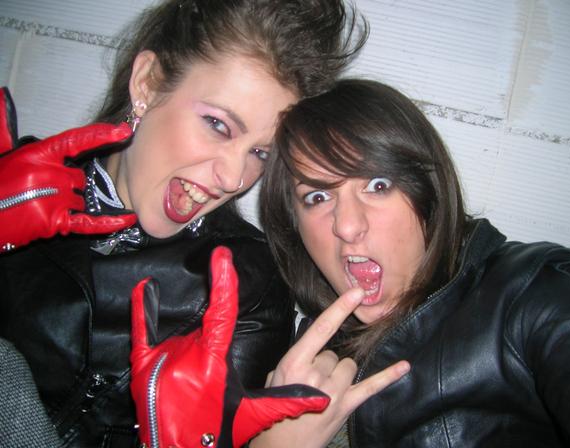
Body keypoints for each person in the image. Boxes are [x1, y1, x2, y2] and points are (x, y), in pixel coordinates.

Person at [0, 0, 367, 446]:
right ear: (148, 83)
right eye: (218, 125)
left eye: (260, 153)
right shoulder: (17, 187)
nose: (233, 179)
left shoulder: (246, 285)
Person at [253, 78, 570, 447]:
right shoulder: (306, 353)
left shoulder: (531, 291)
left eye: (378, 185)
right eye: (318, 197)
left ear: (427, 191)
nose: (348, 226)